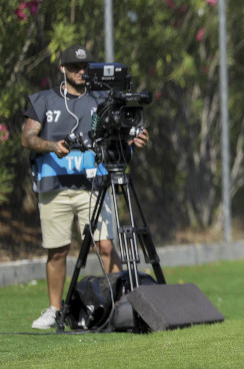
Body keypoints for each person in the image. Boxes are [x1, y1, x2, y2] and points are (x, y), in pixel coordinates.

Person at [22, 44, 150, 329]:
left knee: (104, 244)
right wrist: (52, 146)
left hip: (94, 184)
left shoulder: (102, 98)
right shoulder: (43, 100)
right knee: (57, 250)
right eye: (75, 67)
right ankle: (55, 309)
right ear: (62, 69)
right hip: (54, 185)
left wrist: (135, 138)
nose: (81, 72)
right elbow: (27, 138)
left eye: (85, 67)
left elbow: (124, 129)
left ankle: (122, 305)